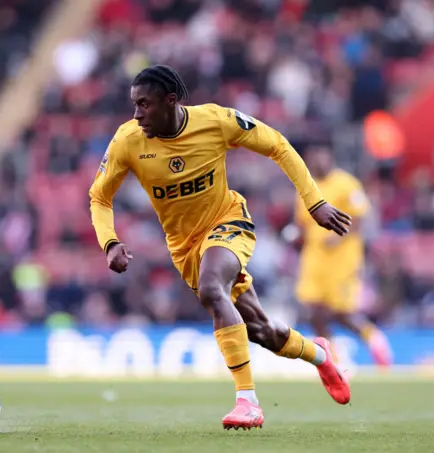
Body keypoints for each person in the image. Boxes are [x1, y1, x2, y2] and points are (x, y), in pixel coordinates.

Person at [89, 65, 352, 431]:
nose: (136, 114)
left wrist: (314, 202)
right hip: (184, 247)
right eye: (134, 105)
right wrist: (110, 241)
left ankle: (248, 402)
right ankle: (321, 355)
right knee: (261, 330)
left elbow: (277, 144)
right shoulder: (127, 141)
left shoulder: (215, 120)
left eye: (144, 105)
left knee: (214, 289)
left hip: (228, 222)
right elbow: (99, 197)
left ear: (171, 101)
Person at [293, 144, 393, 368]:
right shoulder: (305, 187)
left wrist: (339, 237)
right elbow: (301, 222)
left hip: (343, 259)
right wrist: (294, 234)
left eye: (322, 155)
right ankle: (333, 361)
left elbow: (359, 217)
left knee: (341, 312)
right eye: (314, 156)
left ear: (330, 157)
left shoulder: (347, 184)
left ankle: (374, 339)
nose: (318, 161)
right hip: (315, 257)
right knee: (313, 310)